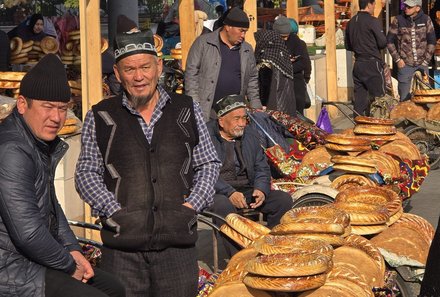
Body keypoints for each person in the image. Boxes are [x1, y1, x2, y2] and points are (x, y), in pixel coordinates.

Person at [74, 29, 221, 297]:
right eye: (129, 69)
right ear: (117, 74)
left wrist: (189, 209)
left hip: (177, 249)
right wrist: (115, 213)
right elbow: (86, 173)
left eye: (145, 67)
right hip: (122, 251)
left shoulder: (186, 109)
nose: (139, 77)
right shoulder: (100, 116)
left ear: (159, 66)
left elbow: (208, 163)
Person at [0, 54, 125, 297]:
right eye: (47, 107)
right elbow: (28, 234)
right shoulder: (11, 150)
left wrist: (73, 249)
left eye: (63, 108)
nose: (57, 118)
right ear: (23, 104)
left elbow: (52, 208)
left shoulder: (35, 142)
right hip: (9, 268)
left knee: (113, 287)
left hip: (29, 258)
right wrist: (69, 265)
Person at [207, 94, 293, 256]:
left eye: (244, 118)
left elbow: (262, 167)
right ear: (221, 121)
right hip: (216, 191)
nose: (242, 124)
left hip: (246, 188)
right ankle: (240, 257)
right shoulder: (206, 137)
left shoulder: (250, 135)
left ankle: (270, 249)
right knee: (223, 206)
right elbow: (206, 172)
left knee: (283, 200)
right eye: (236, 119)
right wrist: (229, 192)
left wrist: (261, 189)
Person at [185, 7, 262, 122]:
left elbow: (252, 79)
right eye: (241, 30)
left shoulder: (247, 49)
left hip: (234, 113)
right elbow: (191, 74)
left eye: (245, 31)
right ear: (228, 27)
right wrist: (195, 104)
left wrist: (256, 105)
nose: (243, 35)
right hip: (207, 111)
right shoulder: (203, 43)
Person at [387, 0, 436, 101]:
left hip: (422, 65)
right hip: (405, 65)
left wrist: (426, 61)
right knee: (404, 98)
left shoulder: (426, 19)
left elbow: (432, 41)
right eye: (405, 6)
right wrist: (397, 59)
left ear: (417, 8)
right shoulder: (398, 19)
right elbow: (389, 41)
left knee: (424, 98)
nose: (406, 8)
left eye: (409, 7)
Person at [345, 0, 387, 116]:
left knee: (359, 99)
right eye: (373, 4)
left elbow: (347, 46)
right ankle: (379, 126)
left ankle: (358, 125)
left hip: (358, 63)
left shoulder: (351, 22)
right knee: (379, 98)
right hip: (372, 63)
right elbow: (383, 42)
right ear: (369, 4)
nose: (374, 7)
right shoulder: (372, 21)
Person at [273, 16, 312, 115]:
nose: (285, 39)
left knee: (297, 117)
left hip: (295, 86)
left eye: (287, 36)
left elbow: (304, 62)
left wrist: (305, 79)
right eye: (282, 36)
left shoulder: (297, 42)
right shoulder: (270, 42)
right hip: (277, 89)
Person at [254, 29, 296, 116]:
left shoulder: (266, 61)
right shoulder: (283, 58)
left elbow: (264, 86)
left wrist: (261, 104)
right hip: (287, 107)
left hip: (273, 108)